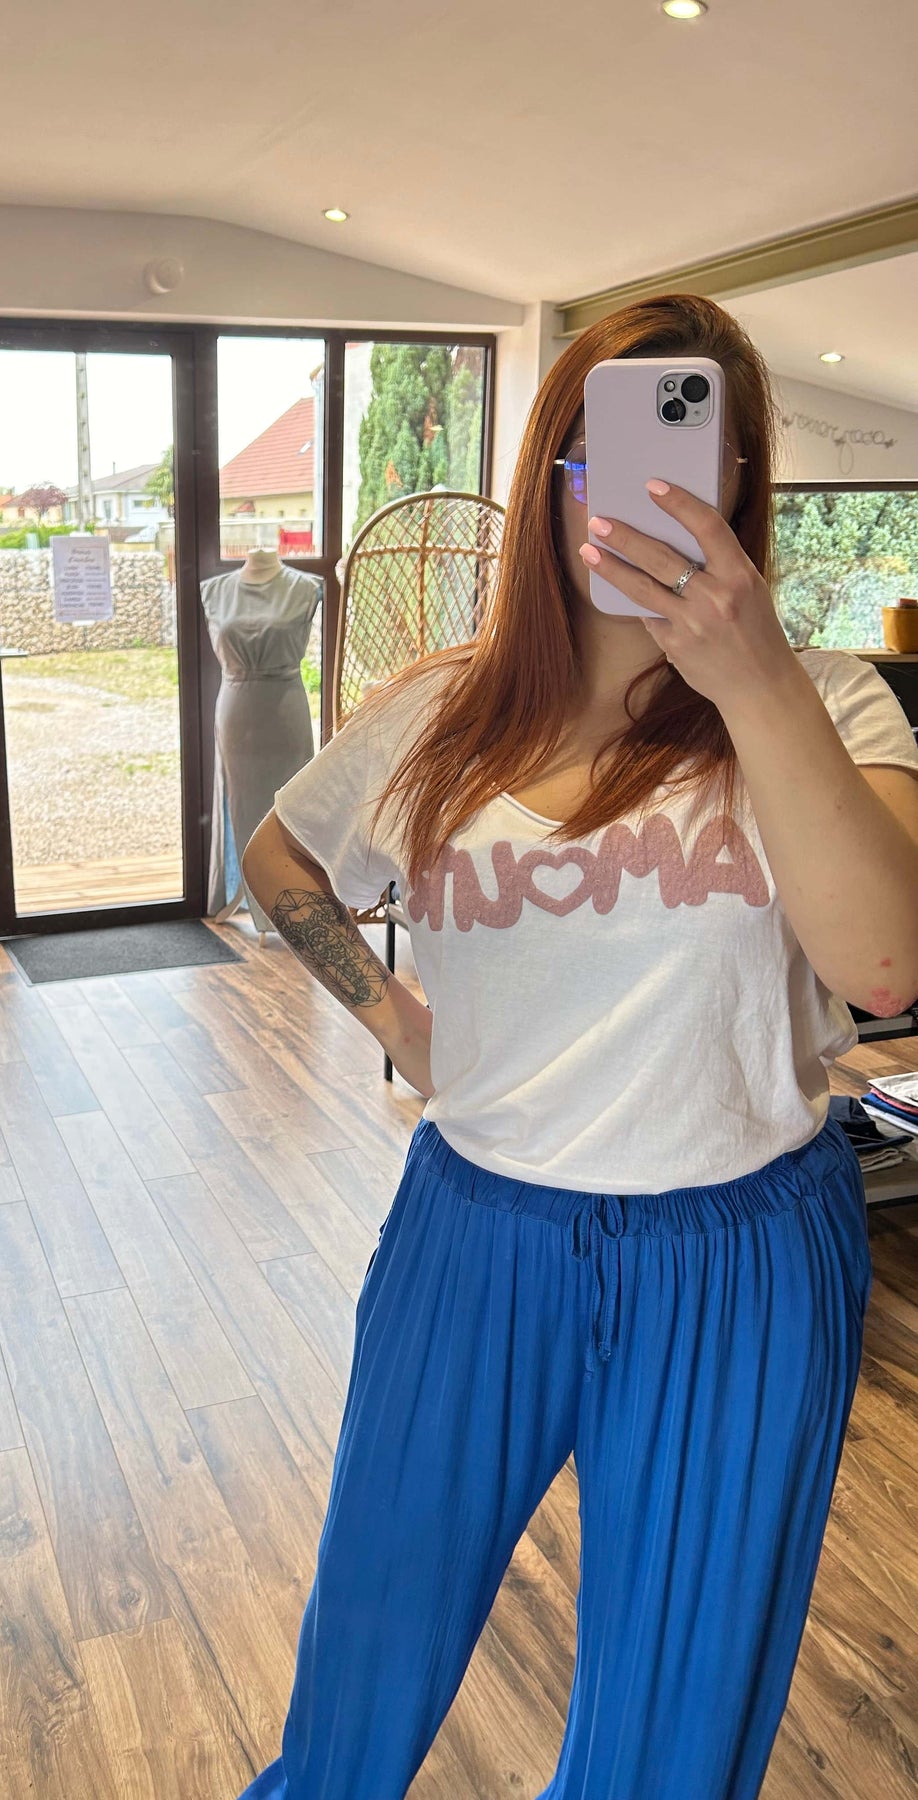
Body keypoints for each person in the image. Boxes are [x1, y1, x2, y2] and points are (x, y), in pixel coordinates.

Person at [236, 293, 918, 1799]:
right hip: (472, 1234)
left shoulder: (830, 701)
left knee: (674, 1714)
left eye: (695, 450)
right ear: (551, 478)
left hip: (741, 1257)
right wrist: (395, 1020)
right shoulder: (437, 712)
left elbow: (884, 970)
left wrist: (751, 675)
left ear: (740, 481)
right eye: (605, 451)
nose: (650, 489)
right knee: (366, 1653)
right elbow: (278, 858)